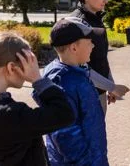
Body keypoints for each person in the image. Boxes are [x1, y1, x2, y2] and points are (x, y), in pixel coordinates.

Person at [0, 32, 75, 165]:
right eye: (29, 63)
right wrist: (37, 79)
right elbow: (65, 114)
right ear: (11, 68)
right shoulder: (10, 114)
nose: (32, 69)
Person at [42, 17, 109, 166]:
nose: (93, 46)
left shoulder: (76, 73)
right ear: (74, 48)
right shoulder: (63, 81)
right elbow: (65, 133)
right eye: (89, 42)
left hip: (94, 158)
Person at [69, 0, 130, 112]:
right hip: (84, 94)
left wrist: (109, 84)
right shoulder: (76, 23)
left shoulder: (96, 18)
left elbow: (101, 57)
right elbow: (81, 68)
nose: (106, 0)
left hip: (98, 91)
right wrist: (111, 87)